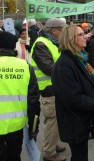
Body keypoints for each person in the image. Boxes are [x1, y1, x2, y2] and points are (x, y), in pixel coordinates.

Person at [52, 25, 94, 161]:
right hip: (74, 121)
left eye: (84, 34)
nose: (86, 37)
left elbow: (83, 86)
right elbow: (72, 98)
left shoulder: (79, 58)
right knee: (79, 157)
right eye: (81, 35)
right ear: (71, 39)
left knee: (81, 155)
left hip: (82, 119)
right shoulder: (64, 64)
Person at [0, 31, 40, 161]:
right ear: (14, 47)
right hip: (16, 124)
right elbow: (33, 100)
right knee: (14, 156)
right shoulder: (24, 66)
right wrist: (33, 127)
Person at [31, 18, 67, 161]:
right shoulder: (41, 44)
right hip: (48, 89)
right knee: (52, 120)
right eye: (62, 30)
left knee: (55, 119)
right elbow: (49, 68)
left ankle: (54, 143)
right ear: (54, 31)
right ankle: (49, 153)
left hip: (54, 87)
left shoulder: (52, 42)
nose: (64, 33)